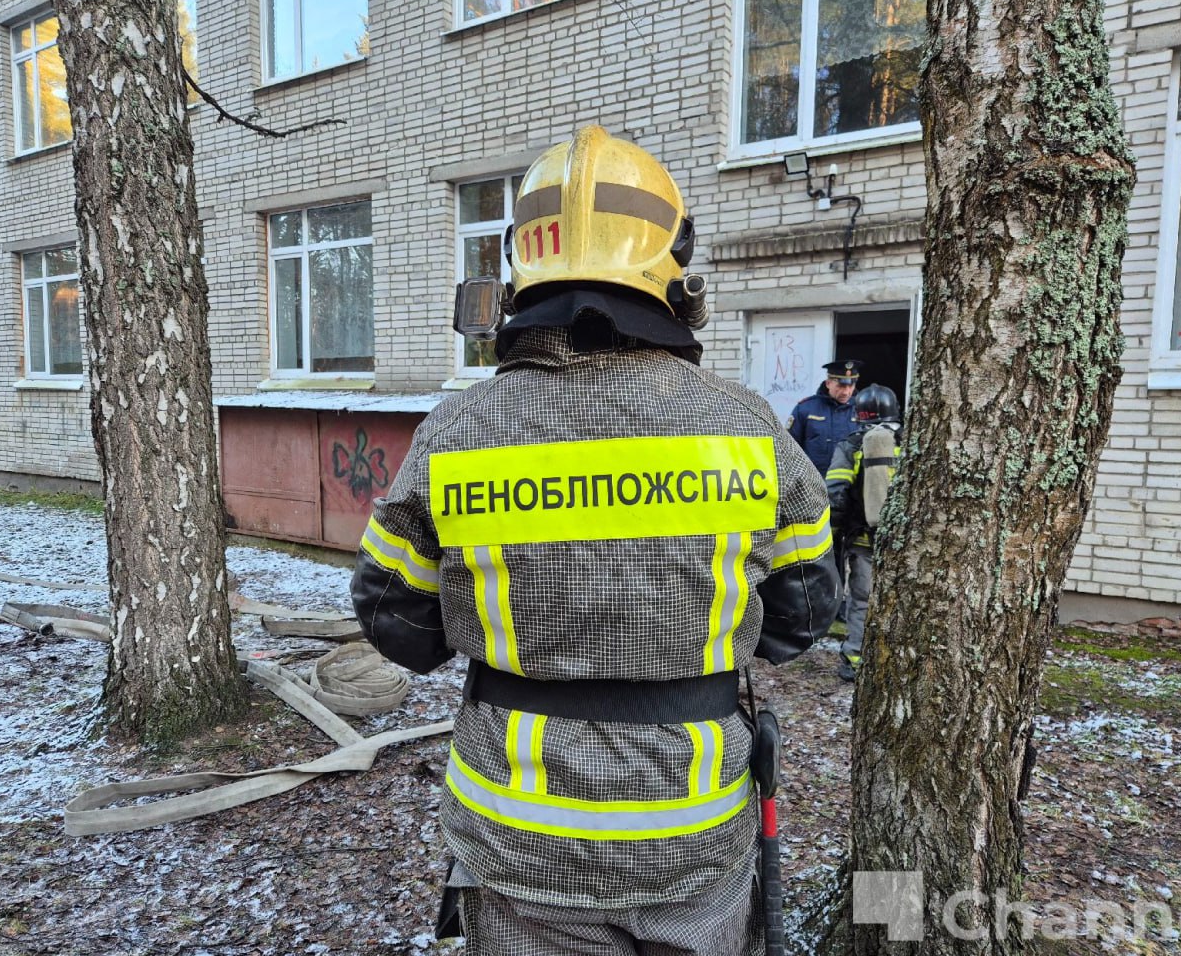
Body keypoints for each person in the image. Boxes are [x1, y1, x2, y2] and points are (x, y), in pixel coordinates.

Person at [351, 126, 842, 956]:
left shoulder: (457, 433)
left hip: (518, 842)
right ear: (676, 272)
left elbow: (396, 623)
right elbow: (800, 619)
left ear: (517, 272)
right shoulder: (748, 429)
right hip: (693, 835)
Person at [825, 384, 902, 682]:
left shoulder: (852, 445)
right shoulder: (911, 442)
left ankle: (855, 659)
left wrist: (830, 535)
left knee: (861, 600)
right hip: (903, 542)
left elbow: (835, 494)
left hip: (863, 538)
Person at [786, 358, 863, 626]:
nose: (846, 391)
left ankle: (838, 605)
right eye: (841, 385)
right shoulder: (807, 409)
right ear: (829, 382)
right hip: (812, 497)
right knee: (810, 553)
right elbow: (789, 451)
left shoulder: (860, 411)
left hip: (846, 500)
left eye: (851, 385)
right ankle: (810, 605)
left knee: (841, 554)